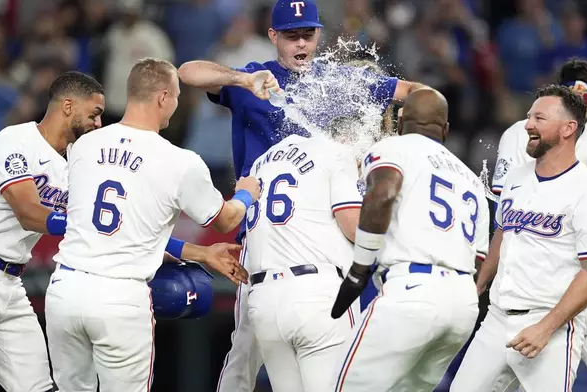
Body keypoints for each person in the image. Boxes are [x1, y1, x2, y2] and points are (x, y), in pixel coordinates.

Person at [178, 1, 426, 389]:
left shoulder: (340, 80)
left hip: (320, 239)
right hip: (267, 239)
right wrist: (243, 80)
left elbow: (417, 93)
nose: (301, 44)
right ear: (273, 36)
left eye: (307, 35)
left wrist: (400, 132)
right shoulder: (254, 80)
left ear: (318, 35)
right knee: (246, 357)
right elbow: (187, 72)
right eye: (291, 35)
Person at [44, 57, 259, 392]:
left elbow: (126, 230)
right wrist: (246, 194)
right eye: (174, 96)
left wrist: (200, 253)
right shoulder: (180, 161)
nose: (176, 104)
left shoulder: (83, 145)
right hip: (119, 297)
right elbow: (226, 220)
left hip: (64, 291)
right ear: (162, 97)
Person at [331, 88, 490, 391]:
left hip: (412, 291)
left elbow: (383, 194)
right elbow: (479, 260)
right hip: (462, 306)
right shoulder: (471, 178)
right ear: (445, 129)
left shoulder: (395, 147)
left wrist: (359, 269)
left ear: (400, 121)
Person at [451, 85, 587, 391]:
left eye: (539, 117)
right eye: (528, 116)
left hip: (550, 325)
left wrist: (546, 328)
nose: (528, 125)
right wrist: (479, 285)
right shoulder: (517, 177)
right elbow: (502, 233)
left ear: (568, 128)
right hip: (496, 319)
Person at [0, 71, 105, 392]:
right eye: (94, 114)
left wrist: (184, 251)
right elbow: (27, 211)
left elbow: (106, 224)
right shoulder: (15, 141)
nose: (98, 124)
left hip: (12, 284)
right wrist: (78, 223)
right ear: (68, 106)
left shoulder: (79, 164)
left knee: (39, 388)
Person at [244, 132, 362, 392]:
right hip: (316, 296)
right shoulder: (337, 151)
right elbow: (354, 227)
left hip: (264, 300)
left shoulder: (261, 162)